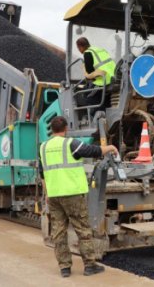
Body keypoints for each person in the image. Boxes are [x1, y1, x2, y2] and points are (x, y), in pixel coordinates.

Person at [39, 116, 118, 277]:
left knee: (59, 232)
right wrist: (110, 147)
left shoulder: (43, 147)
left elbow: (42, 173)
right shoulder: (70, 144)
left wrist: (47, 193)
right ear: (66, 129)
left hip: (54, 196)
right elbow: (92, 151)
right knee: (82, 230)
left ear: (52, 130)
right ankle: (89, 265)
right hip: (72, 194)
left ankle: (64, 268)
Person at [76, 37, 116, 110]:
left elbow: (90, 74)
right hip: (114, 78)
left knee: (86, 94)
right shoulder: (100, 50)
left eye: (78, 48)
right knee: (104, 98)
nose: (79, 50)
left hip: (104, 80)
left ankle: (95, 116)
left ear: (80, 47)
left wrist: (85, 71)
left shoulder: (87, 53)